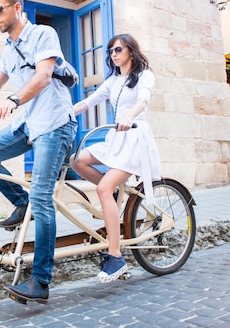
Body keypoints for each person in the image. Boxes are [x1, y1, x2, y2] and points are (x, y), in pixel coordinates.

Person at [0, 0, 77, 303]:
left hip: (54, 124)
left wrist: (14, 100)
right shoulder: (8, 47)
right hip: (28, 124)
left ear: (16, 7)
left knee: (42, 198)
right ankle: (21, 201)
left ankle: (40, 281)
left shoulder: (43, 34)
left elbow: (42, 77)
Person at [71, 33, 161, 283]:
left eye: (118, 49)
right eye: (110, 51)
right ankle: (111, 197)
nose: (113, 54)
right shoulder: (113, 80)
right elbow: (90, 101)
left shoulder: (145, 76)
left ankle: (116, 256)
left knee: (102, 187)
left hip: (134, 137)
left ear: (131, 50)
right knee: (77, 161)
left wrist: (130, 116)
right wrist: (66, 112)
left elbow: (143, 99)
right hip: (116, 138)